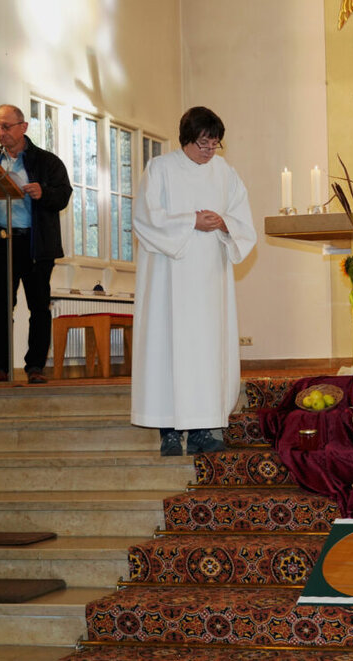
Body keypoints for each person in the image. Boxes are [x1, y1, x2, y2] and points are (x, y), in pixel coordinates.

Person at [130, 107, 256, 456]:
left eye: (215, 144)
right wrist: (191, 221)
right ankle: (169, 431)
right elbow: (145, 218)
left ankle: (203, 428)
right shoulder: (160, 168)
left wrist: (225, 222)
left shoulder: (224, 172)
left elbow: (243, 218)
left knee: (206, 350)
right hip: (168, 277)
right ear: (187, 139)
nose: (209, 150)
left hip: (209, 279)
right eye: (203, 143)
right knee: (167, 348)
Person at [0, 104, 73, 384]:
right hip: (0, 242)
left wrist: (42, 191)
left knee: (39, 306)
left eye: (6, 127)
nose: (1, 133)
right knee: (0, 305)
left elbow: (62, 195)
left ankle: (35, 366)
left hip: (36, 245)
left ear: (23, 127)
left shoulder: (46, 161)